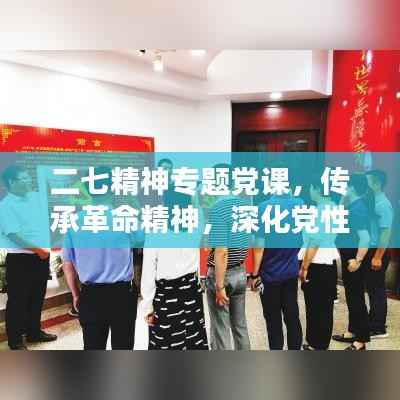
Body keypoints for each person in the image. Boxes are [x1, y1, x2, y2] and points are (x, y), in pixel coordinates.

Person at [62, 167, 143, 350]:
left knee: (93, 347)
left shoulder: (74, 222)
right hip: (122, 294)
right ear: (112, 188)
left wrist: (76, 295)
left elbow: (68, 264)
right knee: (123, 346)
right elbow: (142, 240)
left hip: (91, 295)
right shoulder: (125, 219)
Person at [0, 165, 57, 350]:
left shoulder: (33, 197)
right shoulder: (6, 206)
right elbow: (13, 235)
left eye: (28, 178)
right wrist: (38, 250)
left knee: (37, 297)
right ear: (11, 183)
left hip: (41, 257)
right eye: (23, 179)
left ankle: (34, 332)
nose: (28, 181)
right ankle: (15, 340)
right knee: (18, 301)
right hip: (21, 260)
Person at [205, 164, 251, 350]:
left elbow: (221, 251)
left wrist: (219, 285)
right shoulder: (245, 205)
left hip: (223, 275)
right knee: (240, 326)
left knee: (221, 327)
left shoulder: (218, 208)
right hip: (240, 272)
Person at [250, 191, 303, 350]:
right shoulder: (299, 204)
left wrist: (254, 275)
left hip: (269, 274)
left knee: (273, 319)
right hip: (291, 271)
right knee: (292, 315)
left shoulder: (263, 208)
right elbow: (302, 238)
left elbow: (259, 246)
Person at [298, 178, 339, 350]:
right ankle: (322, 343)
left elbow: (314, 241)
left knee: (315, 305)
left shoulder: (319, 211)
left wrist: (304, 267)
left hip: (316, 263)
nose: (309, 191)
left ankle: (315, 344)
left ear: (316, 188)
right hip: (329, 261)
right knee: (326, 306)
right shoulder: (335, 207)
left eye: (311, 188)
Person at [141, 248, 208, 350]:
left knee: (166, 343)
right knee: (194, 340)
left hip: (167, 297)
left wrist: (148, 308)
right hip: (191, 291)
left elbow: (148, 273)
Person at [333, 174, 371, 350]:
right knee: (351, 296)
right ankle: (352, 331)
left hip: (354, 260)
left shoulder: (358, 209)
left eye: (346, 186)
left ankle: (361, 340)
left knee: (356, 299)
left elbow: (365, 238)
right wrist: (344, 197)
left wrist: (358, 260)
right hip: (348, 257)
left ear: (353, 187)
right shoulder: (353, 205)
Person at [365, 170, 393, 338]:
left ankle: (378, 327)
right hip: (372, 250)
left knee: (377, 289)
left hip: (378, 252)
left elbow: (386, 232)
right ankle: (374, 320)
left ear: (377, 184)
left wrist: (377, 257)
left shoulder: (383, 204)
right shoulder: (373, 200)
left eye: (367, 181)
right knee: (373, 288)